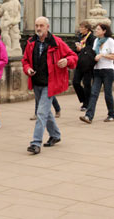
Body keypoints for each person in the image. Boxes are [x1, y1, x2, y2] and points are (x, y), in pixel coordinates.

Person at [22, 17, 77, 154]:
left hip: (50, 84)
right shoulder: (30, 42)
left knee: (40, 112)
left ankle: (35, 143)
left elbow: (73, 56)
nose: (38, 28)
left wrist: (66, 60)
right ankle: (55, 135)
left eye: (41, 25)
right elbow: (25, 61)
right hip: (36, 82)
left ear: (47, 27)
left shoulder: (57, 42)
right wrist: (28, 69)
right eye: (36, 25)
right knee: (46, 112)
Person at [80, 23, 114, 124]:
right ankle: (88, 116)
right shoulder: (96, 41)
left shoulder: (110, 41)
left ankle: (111, 114)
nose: (96, 31)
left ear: (104, 31)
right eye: (96, 29)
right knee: (94, 93)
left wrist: (103, 55)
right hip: (97, 70)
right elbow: (93, 54)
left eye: (98, 29)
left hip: (108, 70)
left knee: (108, 94)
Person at [73, 20, 96, 111]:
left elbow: (91, 50)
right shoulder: (80, 37)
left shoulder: (92, 38)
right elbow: (77, 50)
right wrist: (78, 49)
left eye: (82, 27)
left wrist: (81, 48)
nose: (80, 29)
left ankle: (86, 104)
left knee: (87, 83)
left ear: (87, 29)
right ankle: (84, 99)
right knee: (75, 82)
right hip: (80, 62)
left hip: (88, 63)